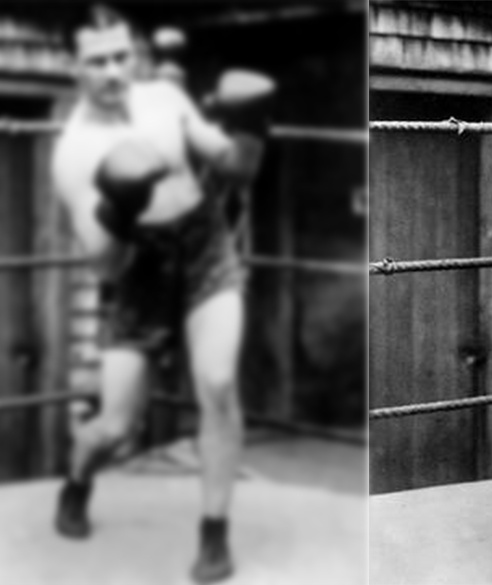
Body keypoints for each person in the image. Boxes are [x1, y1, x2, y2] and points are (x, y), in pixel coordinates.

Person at [49, 5, 271, 583]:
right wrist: (119, 205)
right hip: (138, 269)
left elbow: (233, 166)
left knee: (218, 384)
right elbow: (105, 259)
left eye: (121, 55)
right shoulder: (74, 153)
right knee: (116, 429)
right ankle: (77, 482)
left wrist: (251, 125)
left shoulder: (165, 102)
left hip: (203, 247)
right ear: (75, 67)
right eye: (97, 61)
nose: (113, 70)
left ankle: (214, 534)